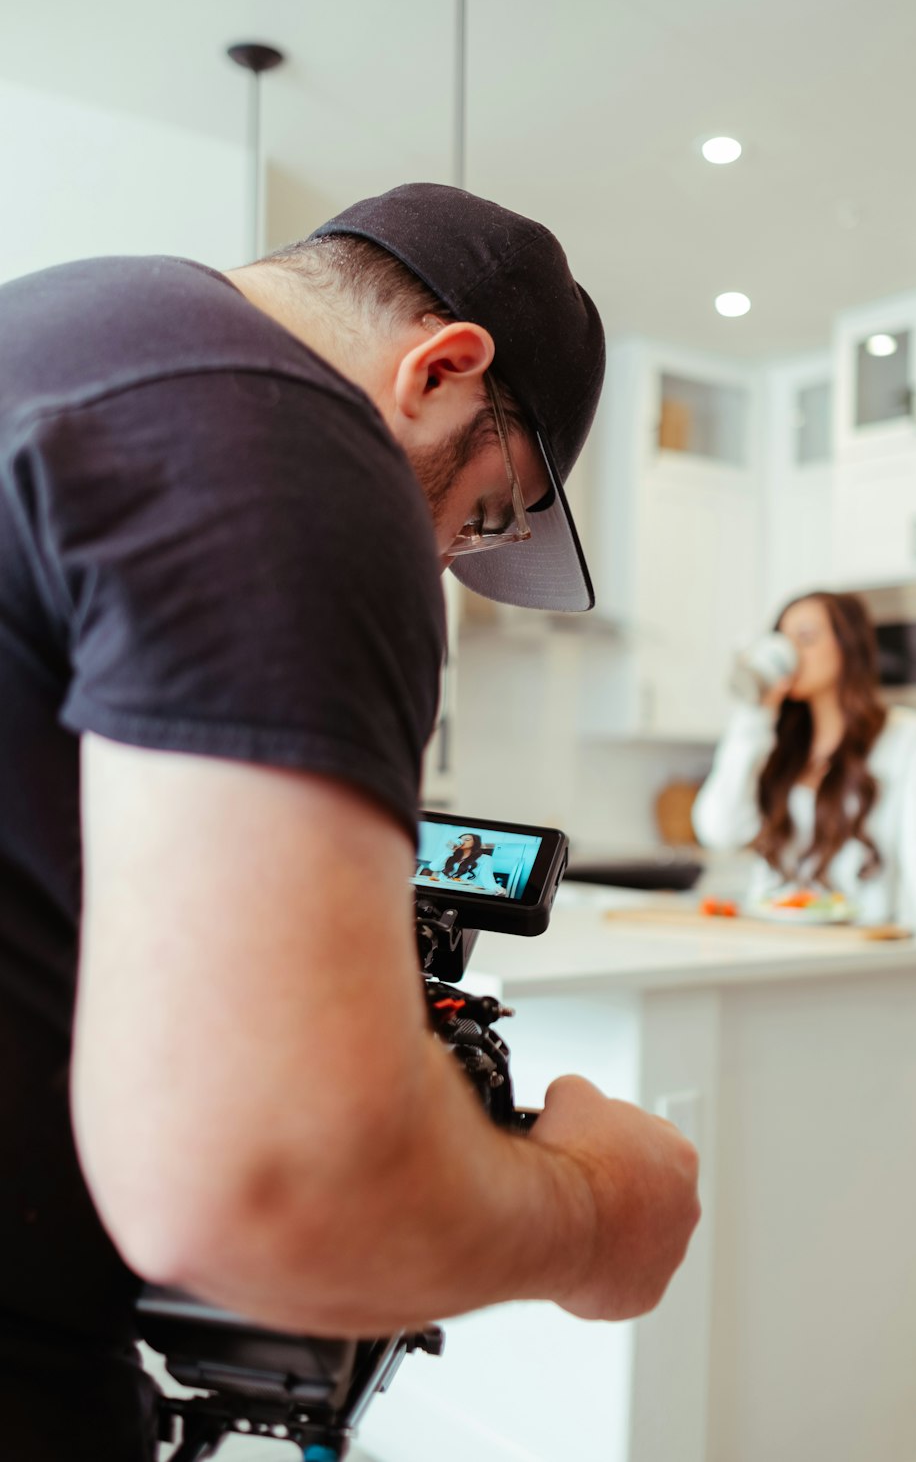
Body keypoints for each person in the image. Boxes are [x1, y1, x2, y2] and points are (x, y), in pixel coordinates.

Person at [0, 183, 700, 1460]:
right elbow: (269, 1186)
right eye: (478, 514)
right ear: (438, 370)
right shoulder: (280, 433)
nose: (434, 558)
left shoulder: (60, 335)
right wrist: (605, 1215)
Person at [693, 589, 916, 957]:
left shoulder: (909, 737)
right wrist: (754, 712)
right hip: (766, 948)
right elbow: (718, 831)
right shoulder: (769, 737)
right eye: (782, 641)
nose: (791, 654)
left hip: (855, 955)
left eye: (805, 639)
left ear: (848, 647)